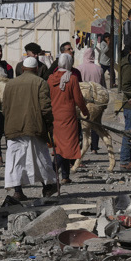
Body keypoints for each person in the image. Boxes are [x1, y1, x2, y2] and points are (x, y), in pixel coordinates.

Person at [2, 56, 58, 201]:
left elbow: (5, 107)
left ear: (22, 69)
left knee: (16, 159)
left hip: (13, 127)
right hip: (34, 126)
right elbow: (45, 108)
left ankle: (18, 191)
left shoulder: (10, 84)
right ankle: (47, 187)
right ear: (37, 69)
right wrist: (50, 124)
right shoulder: (40, 82)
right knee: (40, 158)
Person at [48, 52, 87, 184]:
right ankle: (53, 172)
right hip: (68, 117)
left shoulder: (51, 79)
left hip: (54, 116)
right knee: (66, 146)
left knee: (60, 145)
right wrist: (85, 111)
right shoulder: (72, 79)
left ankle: (65, 176)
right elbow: (78, 99)